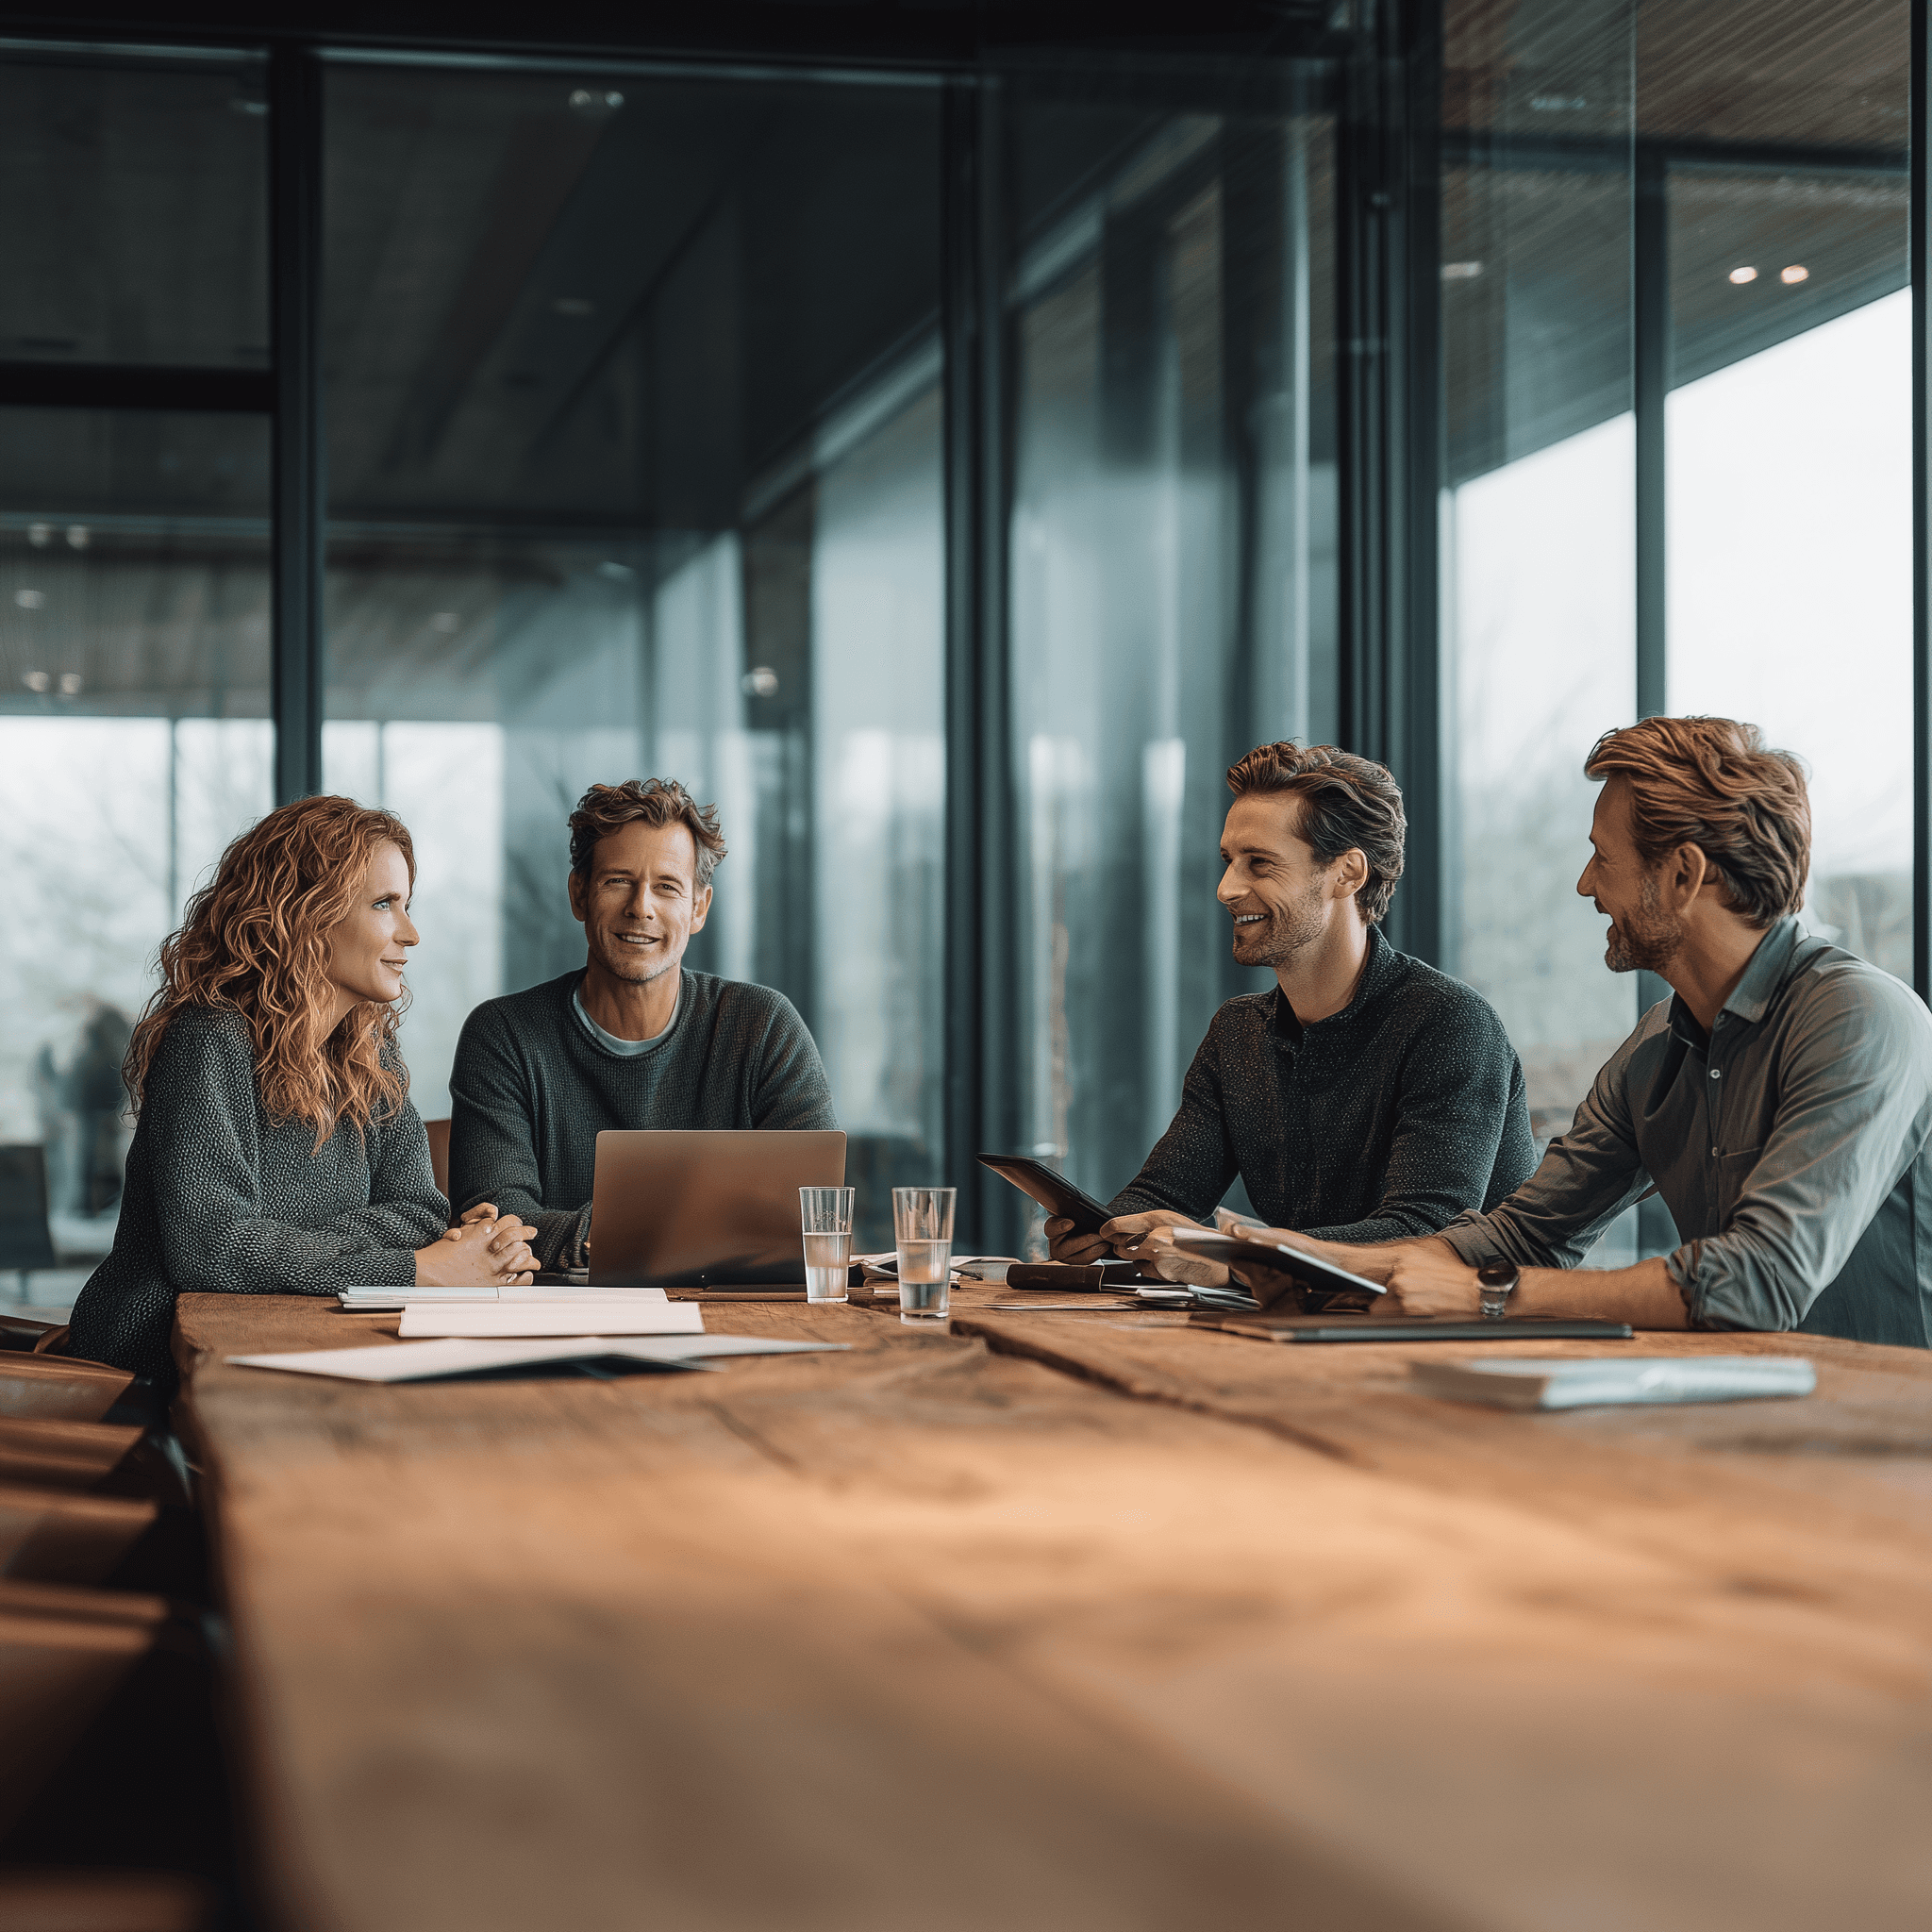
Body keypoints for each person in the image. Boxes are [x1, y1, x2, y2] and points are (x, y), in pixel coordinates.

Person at [1232, 716, 1932, 1348]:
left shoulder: (1861, 1019)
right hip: (1746, 1409)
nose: (1585, 884)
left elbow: (1759, 1279)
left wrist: (1490, 1298)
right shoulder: (1657, 1046)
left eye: (1604, 856)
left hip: (1885, 1427)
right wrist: (1290, 1256)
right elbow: (1523, 1235)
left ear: (1683, 874)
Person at [67, 797, 537, 1387]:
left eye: (406, 905)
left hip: (307, 1333)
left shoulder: (372, 1053)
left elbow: (419, 1214)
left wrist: (451, 1255)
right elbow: (209, 1248)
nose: (411, 933)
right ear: (307, 913)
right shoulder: (208, 1038)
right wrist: (416, 1269)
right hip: (156, 1363)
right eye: (383, 904)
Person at [1048, 741, 1537, 1276]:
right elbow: (1166, 1195)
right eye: (1229, 862)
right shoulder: (1239, 1033)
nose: (1226, 889)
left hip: (1469, 1323)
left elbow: (1424, 1231)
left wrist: (1230, 1251)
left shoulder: (1450, 1023)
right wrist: (1105, 1232)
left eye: (1259, 863)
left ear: (1347, 873)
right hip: (1308, 1317)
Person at [447, 778, 838, 1273]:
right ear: (578, 895)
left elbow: (814, 1214)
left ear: (698, 908)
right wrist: (703, 1232)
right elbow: (497, 1225)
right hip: (560, 1313)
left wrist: (594, 1235)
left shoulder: (763, 1028)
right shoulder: (503, 1035)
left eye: (667, 887)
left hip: (732, 1308)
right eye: (618, 881)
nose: (641, 907)